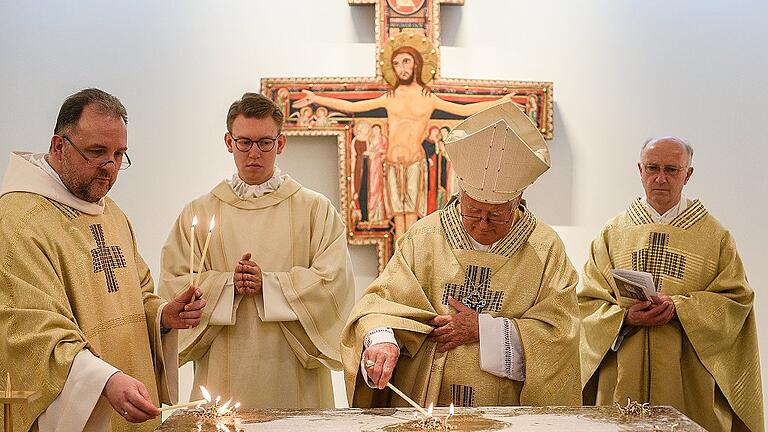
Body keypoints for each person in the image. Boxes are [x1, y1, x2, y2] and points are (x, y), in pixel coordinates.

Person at [340, 101, 581, 408]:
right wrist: (382, 339)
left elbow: (561, 336)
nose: (482, 223)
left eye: (495, 215)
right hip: (425, 399)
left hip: (505, 408)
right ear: (460, 195)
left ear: (517, 200)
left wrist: (487, 330)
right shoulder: (426, 235)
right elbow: (381, 303)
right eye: (473, 211)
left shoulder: (545, 247)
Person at [0, 88, 206, 432]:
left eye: (119, 154)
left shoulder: (112, 215)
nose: (110, 167)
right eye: (97, 152)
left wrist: (162, 316)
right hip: (85, 412)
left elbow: (135, 295)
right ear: (59, 146)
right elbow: (33, 331)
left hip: (130, 404)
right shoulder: (18, 221)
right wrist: (104, 381)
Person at [159, 92, 355, 409]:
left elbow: (335, 284)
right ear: (228, 142)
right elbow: (173, 284)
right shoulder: (200, 212)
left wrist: (270, 285)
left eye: (265, 143)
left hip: (293, 375)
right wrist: (227, 286)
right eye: (244, 142)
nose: (254, 153)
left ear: (280, 144)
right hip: (222, 373)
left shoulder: (315, 209)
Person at [579, 137, 763, 432]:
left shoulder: (715, 237)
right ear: (640, 170)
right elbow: (587, 302)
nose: (660, 178)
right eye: (652, 168)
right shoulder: (613, 234)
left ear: (688, 174)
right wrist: (623, 316)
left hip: (688, 373)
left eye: (671, 170)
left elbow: (736, 300)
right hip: (624, 367)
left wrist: (681, 307)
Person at [293, 34, 513, 239]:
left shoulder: (429, 98)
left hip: (415, 163)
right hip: (391, 164)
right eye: (396, 64)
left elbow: (464, 110)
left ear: (416, 64)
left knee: (413, 221)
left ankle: (413, 268)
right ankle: (400, 273)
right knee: (399, 222)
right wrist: (317, 98)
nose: (401, 68)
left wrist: (501, 102)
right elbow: (353, 106)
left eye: (406, 61)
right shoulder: (390, 97)